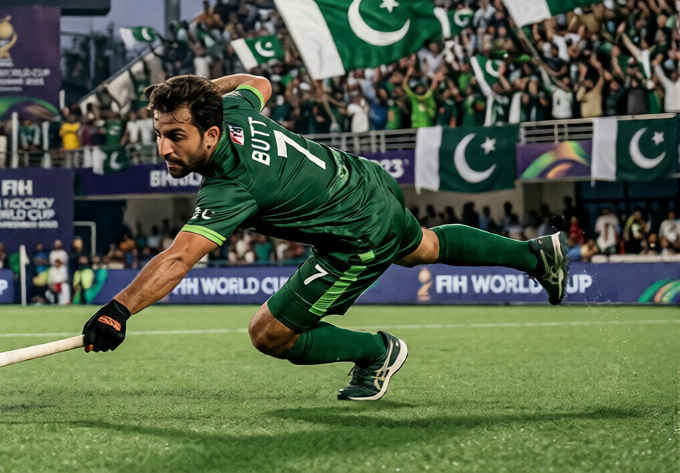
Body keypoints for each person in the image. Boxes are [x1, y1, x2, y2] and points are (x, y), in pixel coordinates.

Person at [81, 74, 569, 402]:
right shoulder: (233, 108)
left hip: (357, 235)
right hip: (366, 181)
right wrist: (202, 91)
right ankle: (534, 255)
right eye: (160, 134)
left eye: (176, 136)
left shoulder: (232, 184)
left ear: (211, 135)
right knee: (423, 246)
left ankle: (377, 352)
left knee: (269, 333)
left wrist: (117, 310)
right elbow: (259, 83)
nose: (164, 148)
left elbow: (179, 258)